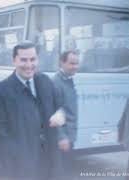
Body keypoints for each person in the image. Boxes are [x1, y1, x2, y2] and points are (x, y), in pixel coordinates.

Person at [0, 41, 65, 180]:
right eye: (23, 60)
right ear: (14, 61)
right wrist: (21, 157)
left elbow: (59, 106)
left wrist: (60, 114)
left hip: (48, 164)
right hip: (18, 169)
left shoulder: (45, 81)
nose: (29, 65)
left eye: (32, 59)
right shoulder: (0, 92)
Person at [52, 50, 79, 180]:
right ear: (61, 63)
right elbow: (54, 112)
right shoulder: (56, 83)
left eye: (77, 63)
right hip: (63, 139)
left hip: (69, 136)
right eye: (71, 63)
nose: (75, 66)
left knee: (68, 172)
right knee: (62, 174)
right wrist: (61, 137)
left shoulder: (68, 80)